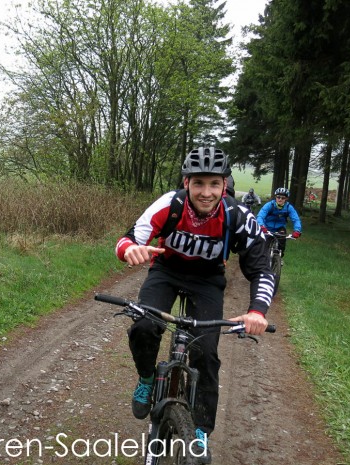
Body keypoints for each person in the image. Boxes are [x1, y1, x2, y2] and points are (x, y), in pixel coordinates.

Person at [115, 147, 275, 464]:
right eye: (198, 183)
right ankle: (147, 378)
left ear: (224, 185)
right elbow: (128, 239)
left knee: (206, 353)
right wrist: (130, 251)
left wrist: (257, 310)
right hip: (166, 271)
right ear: (186, 182)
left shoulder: (236, 216)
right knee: (145, 325)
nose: (206, 192)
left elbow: (262, 268)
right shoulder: (169, 204)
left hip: (207, 281)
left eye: (214, 184)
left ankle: (200, 430)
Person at [256, 187, 302, 258]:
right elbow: (260, 216)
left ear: (286, 199)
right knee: (264, 245)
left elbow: (296, 220)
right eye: (278, 197)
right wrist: (261, 226)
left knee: (281, 243)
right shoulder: (269, 205)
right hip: (266, 227)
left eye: (283, 198)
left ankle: (278, 259)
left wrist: (297, 230)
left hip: (280, 228)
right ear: (275, 197)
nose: (280, 199)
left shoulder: (288, 207)